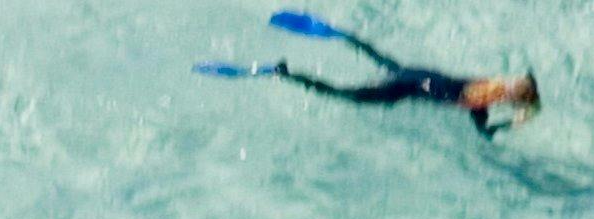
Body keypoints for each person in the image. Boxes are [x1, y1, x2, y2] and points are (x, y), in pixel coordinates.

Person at [198, 15, 539, 127]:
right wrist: (514, 123)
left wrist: (518, 104)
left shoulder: (488, 83)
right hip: (403, 89)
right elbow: (486, 133)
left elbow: (495, 95)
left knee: (382, 59)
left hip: (417, 74)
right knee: (344, 95)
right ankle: (284, 73)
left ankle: (341, 35)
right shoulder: (479, 102)